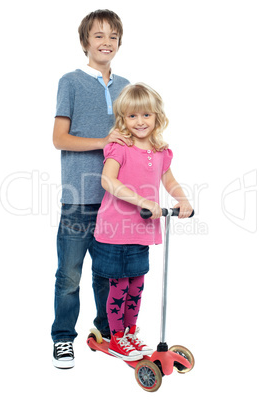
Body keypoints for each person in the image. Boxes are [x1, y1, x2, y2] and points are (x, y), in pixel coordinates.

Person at [51, 9, 132, 369]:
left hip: (115, 200)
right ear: (86, 42)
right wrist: (104, 140)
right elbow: (59, 139)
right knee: (69, 275)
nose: (106, 43)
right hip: (78, 198)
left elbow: (133, 138)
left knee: (108, 274)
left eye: (112, 36)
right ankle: (63, 339)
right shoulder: (70, 81)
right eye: (98, 36)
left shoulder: (126, 86)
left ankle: (107, 334)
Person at [92, 83, 193, 360]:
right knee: (120, 286)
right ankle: (116, 338)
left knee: (137, 285)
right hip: (115, 230)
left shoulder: (161, 150)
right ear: (123, 119)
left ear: (157, 117)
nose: (140, 122)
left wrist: (182, 199)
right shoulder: (119, 147)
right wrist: (143, 201)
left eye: (146, 115)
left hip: (143, 230)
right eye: (132, 116)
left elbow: (169, 181)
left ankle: (130, 333)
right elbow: (108, 180)